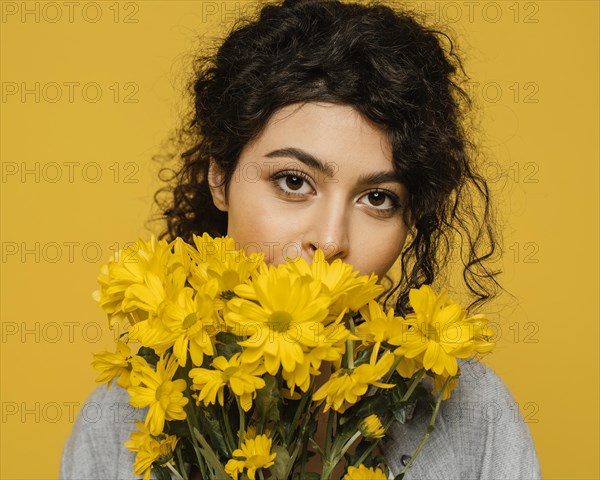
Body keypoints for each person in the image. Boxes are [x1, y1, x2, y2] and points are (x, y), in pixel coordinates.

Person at [61, 0, 541, 478]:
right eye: (293, 182)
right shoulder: (121, 422)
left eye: (377, 198)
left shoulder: (475, 416)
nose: (331, 241)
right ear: (219, 178)